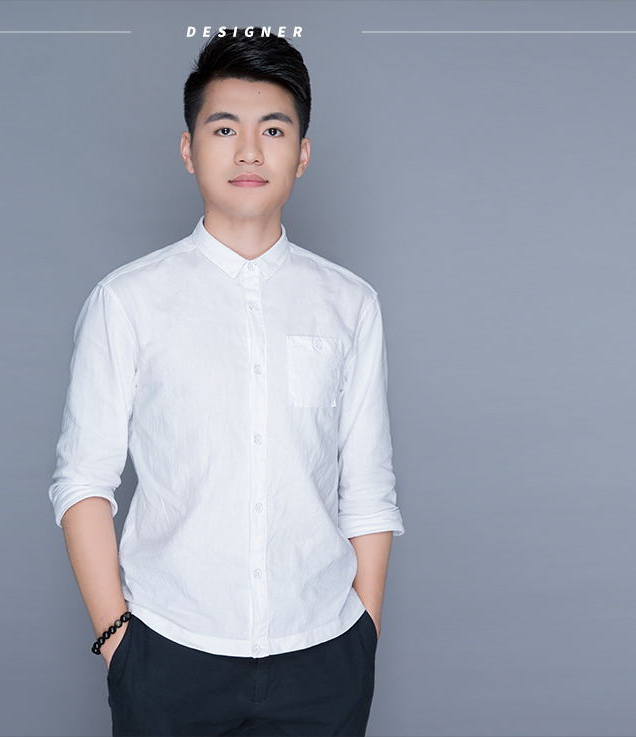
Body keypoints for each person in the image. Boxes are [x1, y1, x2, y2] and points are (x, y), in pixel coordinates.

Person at [48, 27, 405, 737]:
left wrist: (362, 634)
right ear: (188, 149)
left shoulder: (350, 304)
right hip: (168, 652)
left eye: (273, 129)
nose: (248, 151)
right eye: (223, 128)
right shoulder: (128, 301)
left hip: (323, 653)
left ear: (302, 153)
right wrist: (119, 642)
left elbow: (368, 488)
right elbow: (82, 480)